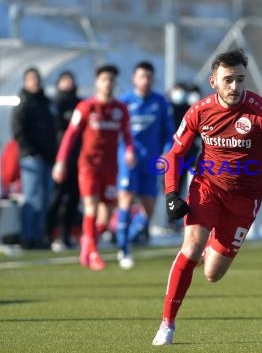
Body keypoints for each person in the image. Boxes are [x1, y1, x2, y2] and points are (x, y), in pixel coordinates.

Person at [151, 48, 262, 346]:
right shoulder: (199, 111)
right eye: (228, 80)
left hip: (245, 199)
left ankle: (208, 246)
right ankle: (167, 324)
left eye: (240, 80)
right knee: (191, 247)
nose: (235, 87)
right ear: (213, 81)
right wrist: (171, 193)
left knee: (212, 273)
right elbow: (175, 155)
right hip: (206, 187)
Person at [52, 64, 135, 271]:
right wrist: (61, 161)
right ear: (97, 82)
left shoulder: (120, 109)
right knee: (91, 206)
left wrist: (129, 150)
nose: (108, 83)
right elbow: (70, 135)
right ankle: (93, 252)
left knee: (106, 215)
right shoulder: (86, 107)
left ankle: (87, 243)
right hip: (88, 165)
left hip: (110, 167)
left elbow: (127, 134)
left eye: (111, 80)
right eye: (104, 79)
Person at [115, 61, 174, 269]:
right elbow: (117, 132)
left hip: (152, 162)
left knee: (148, 211)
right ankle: (124, 249)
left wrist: (167, 152)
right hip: (128, 160)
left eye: (149, 77)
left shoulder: (161, 103)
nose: (145, 80)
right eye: (141, 76)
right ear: (134, 78)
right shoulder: (124, 102)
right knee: (126, 201)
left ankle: (126, 237)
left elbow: (170, 133)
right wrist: (125, 150)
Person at [11, 67, 58, 249]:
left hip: (47, 157)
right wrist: (31, 151)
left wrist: (52, 152)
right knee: (32, 198)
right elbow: (18, 131)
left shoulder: (46, 102)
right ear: (25, 81)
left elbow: (52, 130)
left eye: (37, 79)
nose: (35, 82)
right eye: (31, 79)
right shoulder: (23, 103)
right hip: (31, 157)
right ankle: (27, 237)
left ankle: (39, 236)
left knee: (45, 198)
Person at [45, 71, 82, 252]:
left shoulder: (80, 104)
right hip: (60, 158)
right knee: (58, 197)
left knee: (74, 197)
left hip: (78, 158)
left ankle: (67, 234)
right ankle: (49, 234)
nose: (68, 83)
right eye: (64, 80)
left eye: (70, 80)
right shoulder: (55, 104)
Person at [168, 82, 203, 200]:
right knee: (171, 186)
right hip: (174, 153)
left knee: (189, 187)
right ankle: (171, 215)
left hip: (192, 155)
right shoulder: (170, 108)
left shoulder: (196, 111)